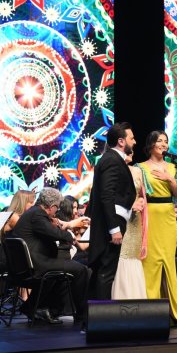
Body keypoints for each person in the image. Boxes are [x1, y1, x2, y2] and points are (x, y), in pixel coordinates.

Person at [12, 188, 90, 325]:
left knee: (64, 268)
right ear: (52, 206)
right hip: (36, 264)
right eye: (57, 208)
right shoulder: (37, 215)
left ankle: (31, 307)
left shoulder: (34, 213)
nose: (56, 211)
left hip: (29, 263)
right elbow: (55, 234)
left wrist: (55, 225)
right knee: (81, 270)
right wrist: (68, 234)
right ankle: (81, 316)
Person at [87, 122, 139, 300]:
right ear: (121, 141)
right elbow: (107, 195)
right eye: (131, 138)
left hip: (112, 221)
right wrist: (114, 229)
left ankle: (94, 313)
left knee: (104, 270)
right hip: (111, 223)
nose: (134, 142)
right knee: (107, 271)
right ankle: (100, 314)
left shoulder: (112, 159)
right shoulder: (112, 160)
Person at [137, 130, 177, 323]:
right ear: (151, 144)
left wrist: (170, 179)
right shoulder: (139, 167)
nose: (163, 144)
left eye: (165, 141)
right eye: (159, 141)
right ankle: (151, 313)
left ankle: (174, 313)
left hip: (167, 215)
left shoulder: (174, 167)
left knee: (168, 262)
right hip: (148, 214)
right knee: (150, 263)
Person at [112, 151, 148, 299]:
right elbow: (109, 196)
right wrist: (129, 205)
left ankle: (136, 299)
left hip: (135, 220)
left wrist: (141, 201)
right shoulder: (113, 169)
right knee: (122, 255)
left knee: (133, 255)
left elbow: (142, 194)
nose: (131, 152)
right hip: (120, 218)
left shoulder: (138, 171)